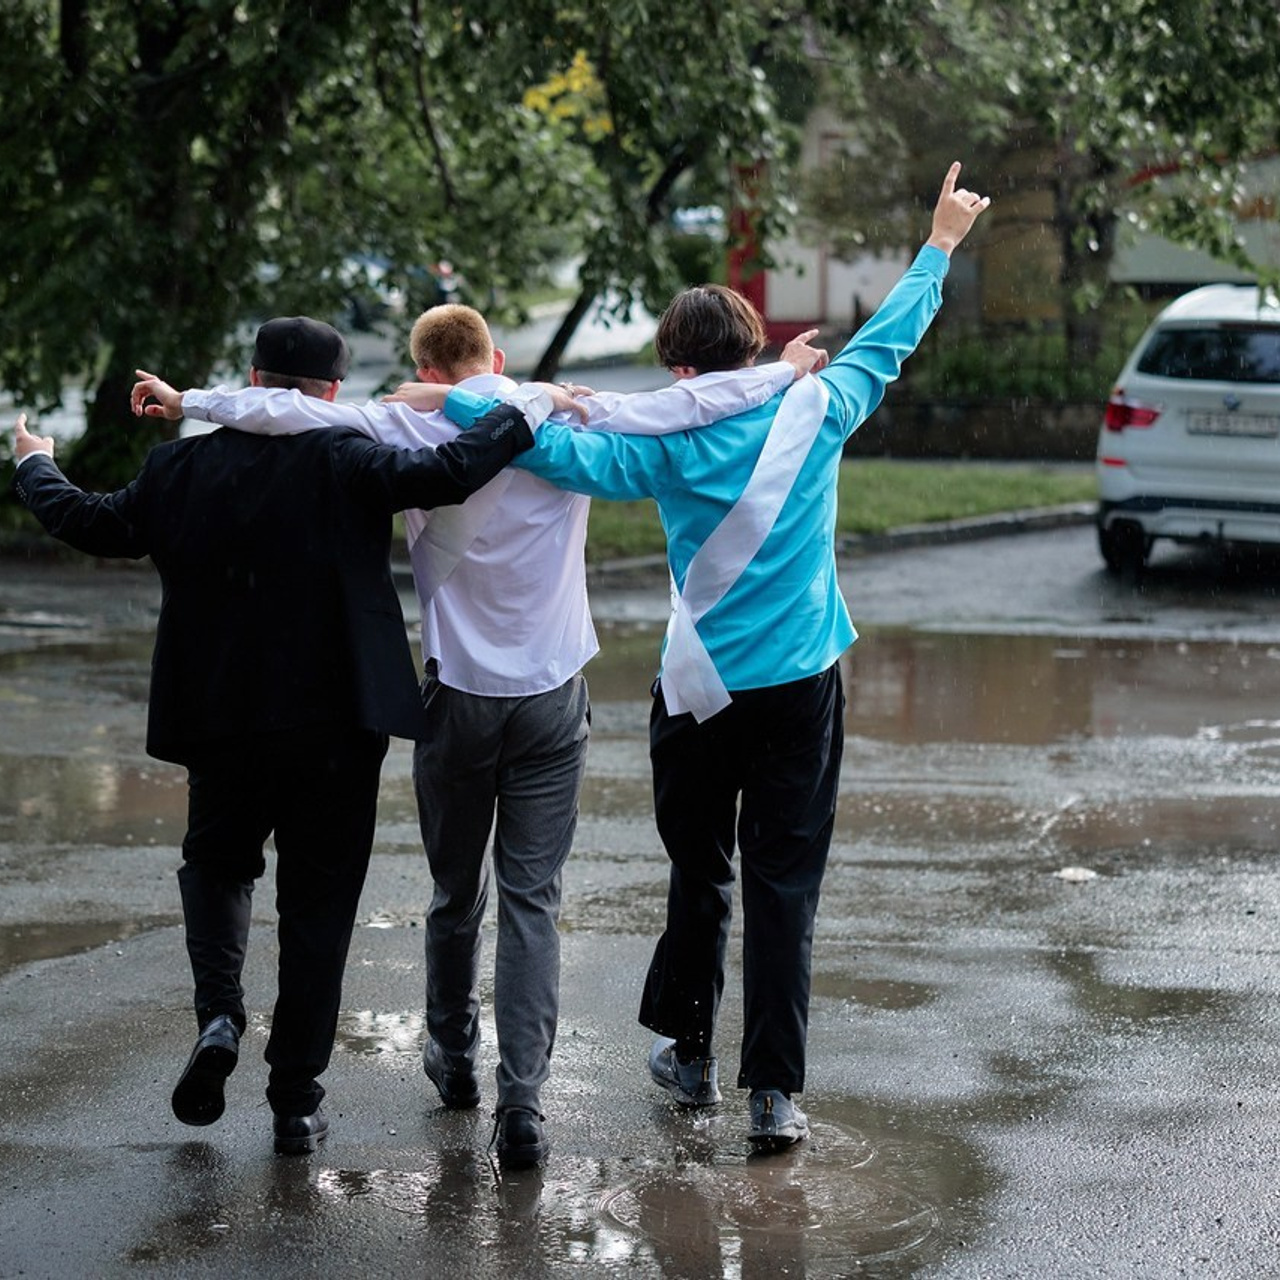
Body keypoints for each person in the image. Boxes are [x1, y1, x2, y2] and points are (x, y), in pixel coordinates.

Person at [157, 306, 824, 1169]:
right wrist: (782, 373)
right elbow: (682, 409)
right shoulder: (552, 414)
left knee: (452, 892)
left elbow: (297, 412)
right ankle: (524, 1103)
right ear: (495, 358)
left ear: (426, 369)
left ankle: (452, 1056)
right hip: (552, 699)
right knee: (532, 902)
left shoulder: (408, 422)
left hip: (458, 699)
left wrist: (191, 403)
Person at [440, 162, 991, 1151]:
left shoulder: (661, 446)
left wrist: (452, 400)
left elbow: (543, 450)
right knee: (786, 888)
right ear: (756, 351)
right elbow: (890, 340)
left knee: (701, 874)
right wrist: (939, 240)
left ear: (680, 372)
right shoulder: (816, 410)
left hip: (695, 694)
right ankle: (773, 1093)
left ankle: (689, 1055)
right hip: (800, 683)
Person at [9, 316, 568, 1156]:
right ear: (334, 392)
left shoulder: (181, 466)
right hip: (337, 725)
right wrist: (529, 407)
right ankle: (295, 1102)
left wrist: (33, 463)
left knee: (217, 864)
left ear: (253, 377)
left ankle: (222, 1014)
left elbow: (94, 523)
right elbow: (452, 471)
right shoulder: (346, 455)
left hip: (221, 718)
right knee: (318, 908)